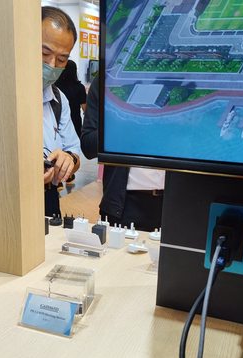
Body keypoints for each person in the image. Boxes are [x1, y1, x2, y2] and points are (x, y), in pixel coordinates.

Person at [81, 76, 164, 232]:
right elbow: (88, 146)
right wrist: (125, 119)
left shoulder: (186, 79)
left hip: (176, 204)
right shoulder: (105, 82)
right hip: (123, 205)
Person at [41, 6, 82, 217]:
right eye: (44, 53)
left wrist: (68, 160)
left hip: (49, 198)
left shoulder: (58, 99)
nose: (51, 65)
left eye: (62, 59)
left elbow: (75, 153)